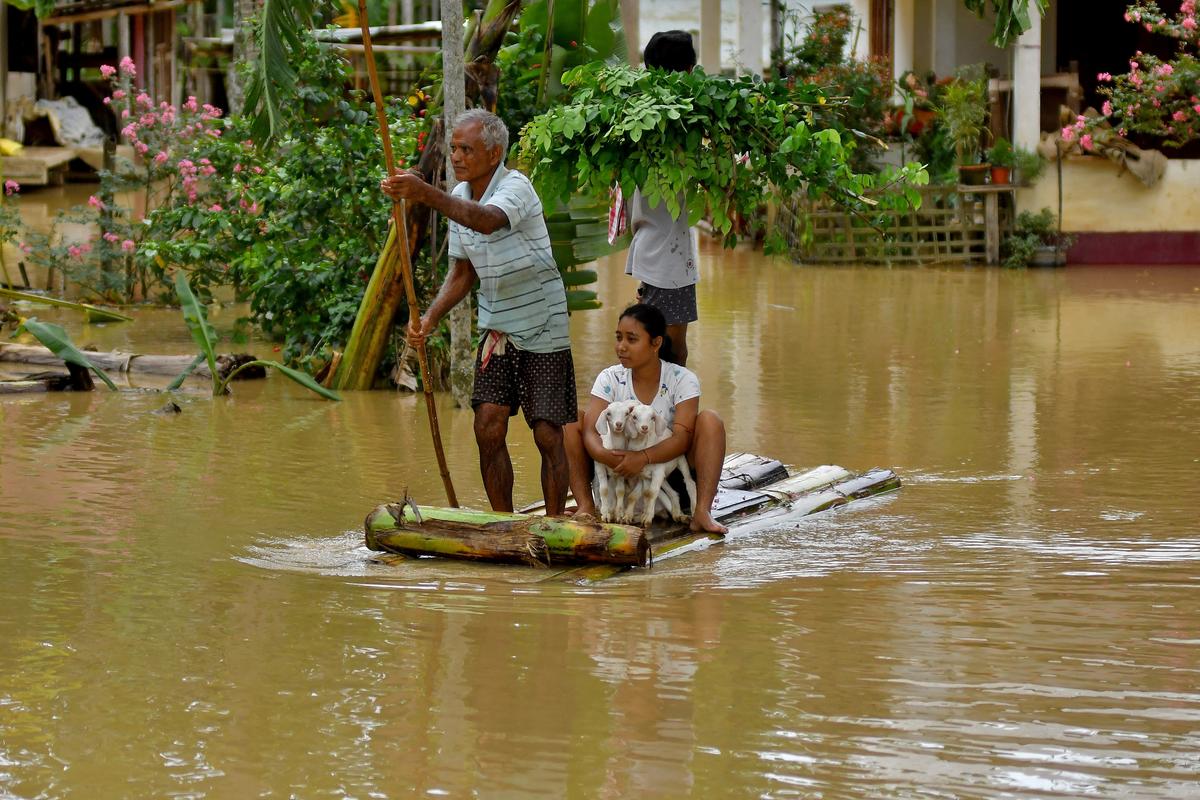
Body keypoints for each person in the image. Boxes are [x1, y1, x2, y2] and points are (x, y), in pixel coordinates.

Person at [380, 109, 575, 516]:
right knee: (487, 424)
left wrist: (424, 193)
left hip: (542, 321)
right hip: (498, 326)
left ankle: (555, 521)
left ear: (495, 153)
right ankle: (503, 522)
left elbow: (487, 222)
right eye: (453, 148)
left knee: (546, 432)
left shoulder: (515, 186)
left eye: (466, 149)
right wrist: (429, 319)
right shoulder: (461, 198)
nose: (456, 156)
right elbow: (463, 272)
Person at [564, 303, 728, 534]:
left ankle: (701, 511)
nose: (621, 347)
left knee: (711, 421)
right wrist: (610, 459)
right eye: (619, 337)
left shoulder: (682, 379)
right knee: (570, 421)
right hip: (615, 477)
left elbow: (682, 437)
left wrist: (642, 458)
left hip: (666, 478)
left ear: (656, 343)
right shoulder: (609, 378)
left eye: (631, 339)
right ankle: (586, 506)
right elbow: (591, 431)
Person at [624, 30, 700, 366]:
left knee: (664, 347)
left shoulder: (641, 118)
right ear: (687, 73)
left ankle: (666, 413)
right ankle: (670, 415)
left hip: (658, 249)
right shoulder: (678, 123)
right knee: (670, 349)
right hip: (664, 256)